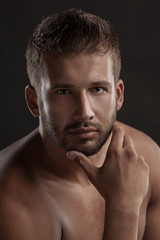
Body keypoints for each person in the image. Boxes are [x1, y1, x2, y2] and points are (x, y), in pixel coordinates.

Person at [0, 9, 159, 240]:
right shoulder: (10, 198)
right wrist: (123, 208)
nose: (85, 112)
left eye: (97, 89)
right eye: (64, 92)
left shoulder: (148, 160)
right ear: (34, 102)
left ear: (118, 95)